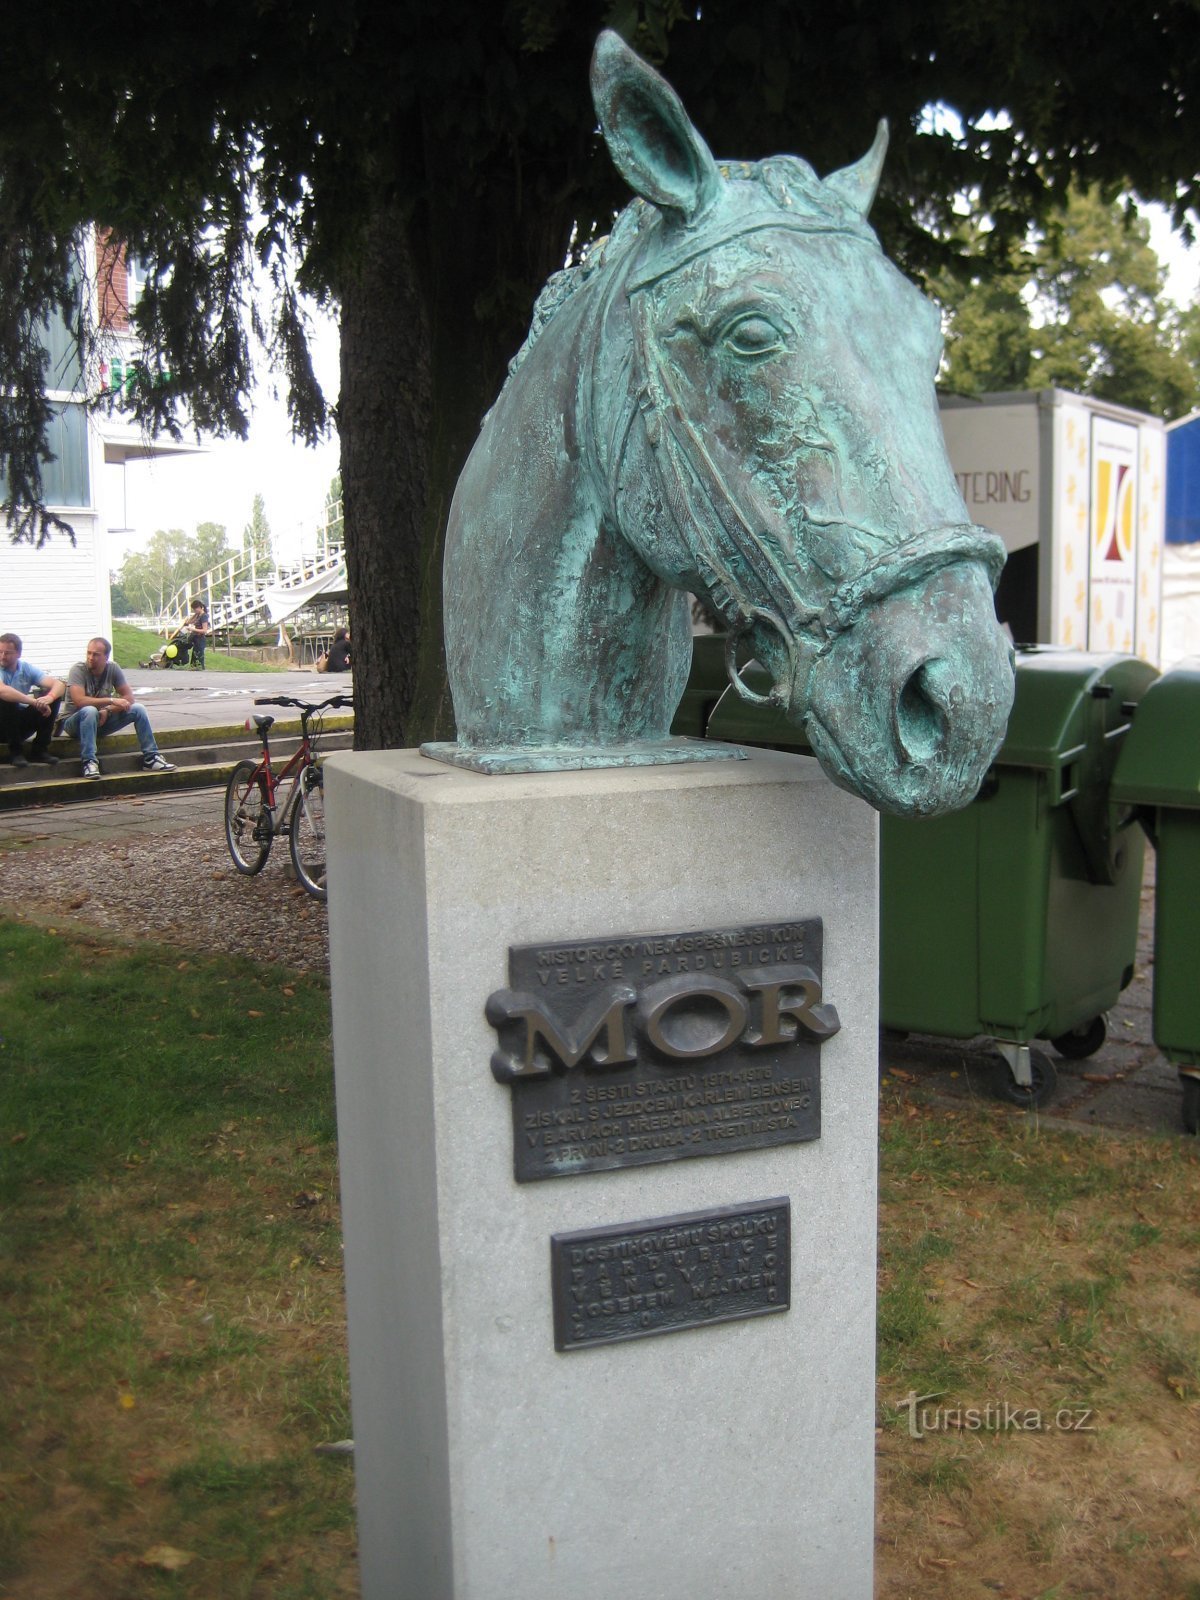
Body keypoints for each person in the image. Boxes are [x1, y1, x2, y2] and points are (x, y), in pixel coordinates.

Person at [62, 637, 177, 779]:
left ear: (106, 657)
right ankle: (89, 762)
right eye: (89, 653)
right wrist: (111, 700)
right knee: (90, 710)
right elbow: (79, 701)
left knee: (138, 709)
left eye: (96, 654)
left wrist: (108, 710)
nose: (91, 658)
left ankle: (151, 758)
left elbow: (129, 698)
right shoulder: (78, 670)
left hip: (100, 720)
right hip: (74, 723)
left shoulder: (113, 668)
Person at [0, 632, 66, 767]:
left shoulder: (26, 669)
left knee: (53, 697)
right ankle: (16, 753)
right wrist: (35, 702)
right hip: (2, 726)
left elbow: (59, 685)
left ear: (18, 654)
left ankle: (40, 750)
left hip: (18, 725)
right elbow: (3, 691)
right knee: (7, 699)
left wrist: (48, 698)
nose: (2, 656)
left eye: (7, 653)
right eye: (0, 652)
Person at [183, 597, 211, 670]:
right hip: (195, 638)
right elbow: (190, 621)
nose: (195, 611)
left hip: (200, 638)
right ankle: (193, 667)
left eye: (195, 609)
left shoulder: (204, 616)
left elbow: (204, 630)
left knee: (199, 656)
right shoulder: (197, 615)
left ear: (200, 607)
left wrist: (193, 629)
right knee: (194, 655)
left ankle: (200, 669)